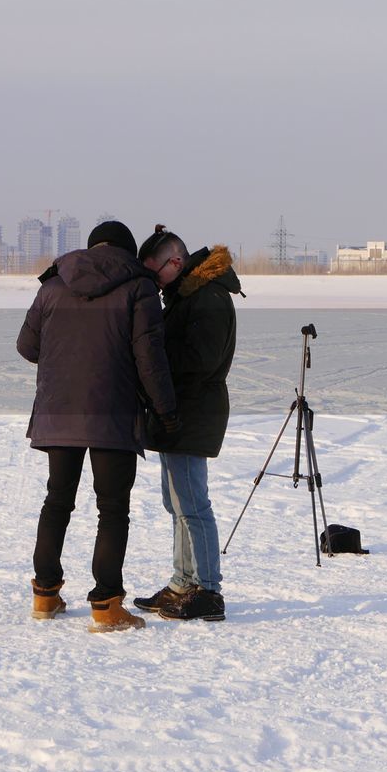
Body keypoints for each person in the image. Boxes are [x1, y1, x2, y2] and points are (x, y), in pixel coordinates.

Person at [17, 220, 178, 632]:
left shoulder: (53, 285)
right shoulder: (138, 287)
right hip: (113, 414)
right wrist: (166, 411)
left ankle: (45, 595)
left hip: (59, 414)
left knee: (57, 501)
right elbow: (150, 359)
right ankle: (106, 605)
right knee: (112, 509)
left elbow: (27, 346)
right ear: (126, 252)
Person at [134, 225, 242, 622]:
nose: (152, 280)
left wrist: (153, 367)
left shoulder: (208, 298)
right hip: (178, 410)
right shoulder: (185, 295)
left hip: (192, 411)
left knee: (193, 503)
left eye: (154, 272)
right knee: (176, 501)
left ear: (175, 263)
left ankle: (209, 590)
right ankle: (183, 583)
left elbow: (200, 361)